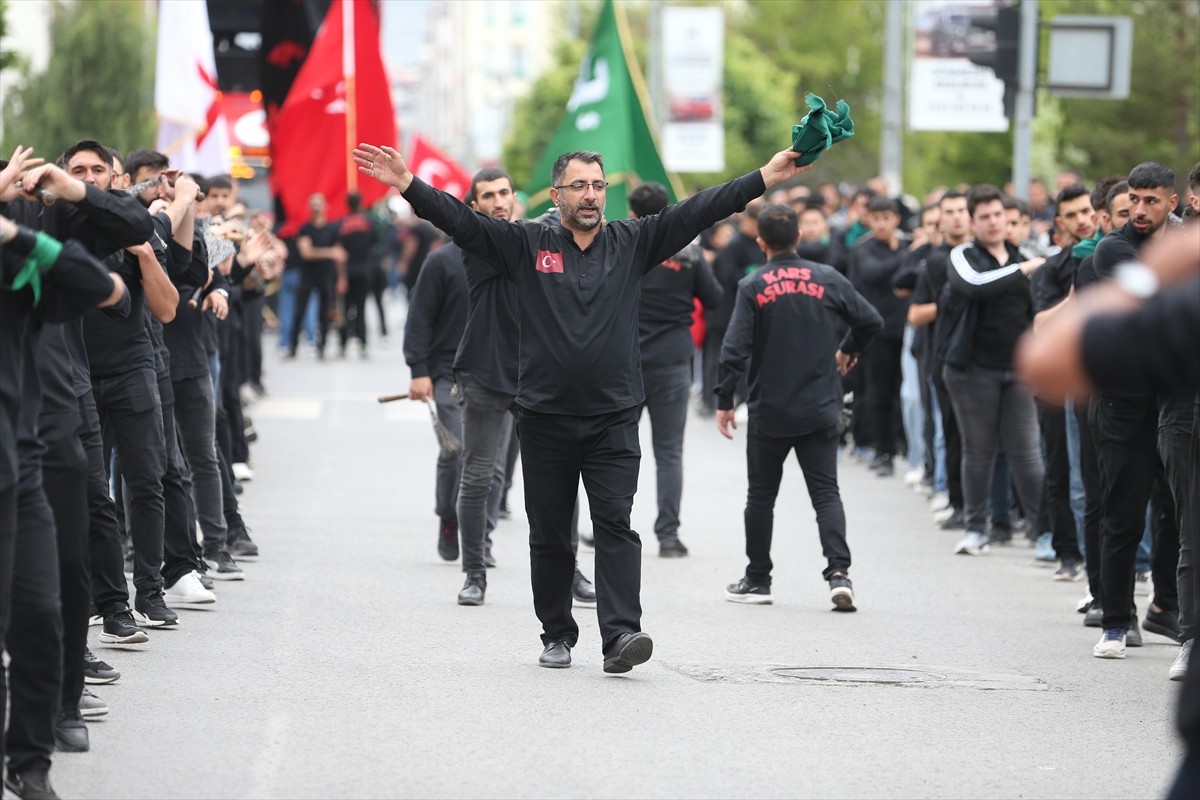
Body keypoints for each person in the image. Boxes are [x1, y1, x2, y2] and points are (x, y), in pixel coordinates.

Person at [354, 140, 812, 672]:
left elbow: (701, 208)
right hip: (544, 416)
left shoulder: (633, 240)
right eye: (579, 186)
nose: (591, 195)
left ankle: (621, 635)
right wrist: (409, 184)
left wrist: (765, 175)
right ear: (557, 193)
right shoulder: (526, 244)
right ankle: (556, 632)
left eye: (598, 186)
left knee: (616, 524)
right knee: (550, 533)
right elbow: (463, 223)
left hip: (614, 415)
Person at [715, 204, 882, 609]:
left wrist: (724, 400)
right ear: (800, 238)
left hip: (771, 408)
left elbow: (734, 350)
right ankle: (839, 574)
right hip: (820, 405)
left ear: (760, 242)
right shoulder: (827, 278)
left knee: (760, 497)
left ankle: (758, 579)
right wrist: (848, 350)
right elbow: (871, 320)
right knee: (826, 493)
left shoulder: (754, 285)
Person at [941, 184, 1046, 558]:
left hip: (1019, 370)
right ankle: (975, 529)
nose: (993, 222)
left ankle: (1043, 533)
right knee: (978, 451)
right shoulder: (963, 256)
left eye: (998, 214)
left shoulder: (1028, 255)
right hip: (972, 370)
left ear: (1007, 217)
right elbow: (974, 286)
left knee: (1027, 453)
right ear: (972, 222)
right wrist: (1022, 270)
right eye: (984, 217)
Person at [629, 181, 724, 558]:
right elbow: (715, 298)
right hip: (672, 359)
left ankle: (611, 526)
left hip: (627, 360)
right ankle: (668, 536)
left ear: (633, 213)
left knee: (618, 450)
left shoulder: (625, 245)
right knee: (669, 452)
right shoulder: (689, 252)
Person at [402, 216, 466, 563]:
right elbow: (420, 316)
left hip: (501, 376)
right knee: (456, 450)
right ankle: (449, 516)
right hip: (448, 374)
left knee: (493, 465)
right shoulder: (441, 261)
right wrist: (419, 370)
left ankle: (480, 535)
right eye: (487, 198)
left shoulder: (510, 255)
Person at [848, 195, 908, 476]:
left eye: (887, 218)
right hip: (879, 330)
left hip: (907, 328)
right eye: (877, 218)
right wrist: (906, 256)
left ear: (896, 219)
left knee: (905, 394)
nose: (882, 224)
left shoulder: (907, 246)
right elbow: (873, 273)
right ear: (869, 220)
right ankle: (882, 450)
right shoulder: (863, 249)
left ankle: (905, 446)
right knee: (879, 393)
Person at [286, 193, 345, 360]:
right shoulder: (305, 229)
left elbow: (339, 256)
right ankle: (292, 347)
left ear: (325, 206)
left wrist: (341, 277)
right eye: (313, 204)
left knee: (325, 312)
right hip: (307, 275)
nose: (316, 207)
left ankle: (322, 347)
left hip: (326, 276)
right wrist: (330, 253)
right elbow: (307, 253)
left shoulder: (332, 230)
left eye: (319, 203)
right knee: (299, 311)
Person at [336, 191, 379, 358]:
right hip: (364, 271)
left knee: (345, 310)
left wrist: (340, 276)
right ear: (360, 203)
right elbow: (375, 243)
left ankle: (343, 345)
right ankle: (362, 344)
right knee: (361, 309)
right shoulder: (369, 223)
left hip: (346, 272)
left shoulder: (340, 224)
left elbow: (339, 251)